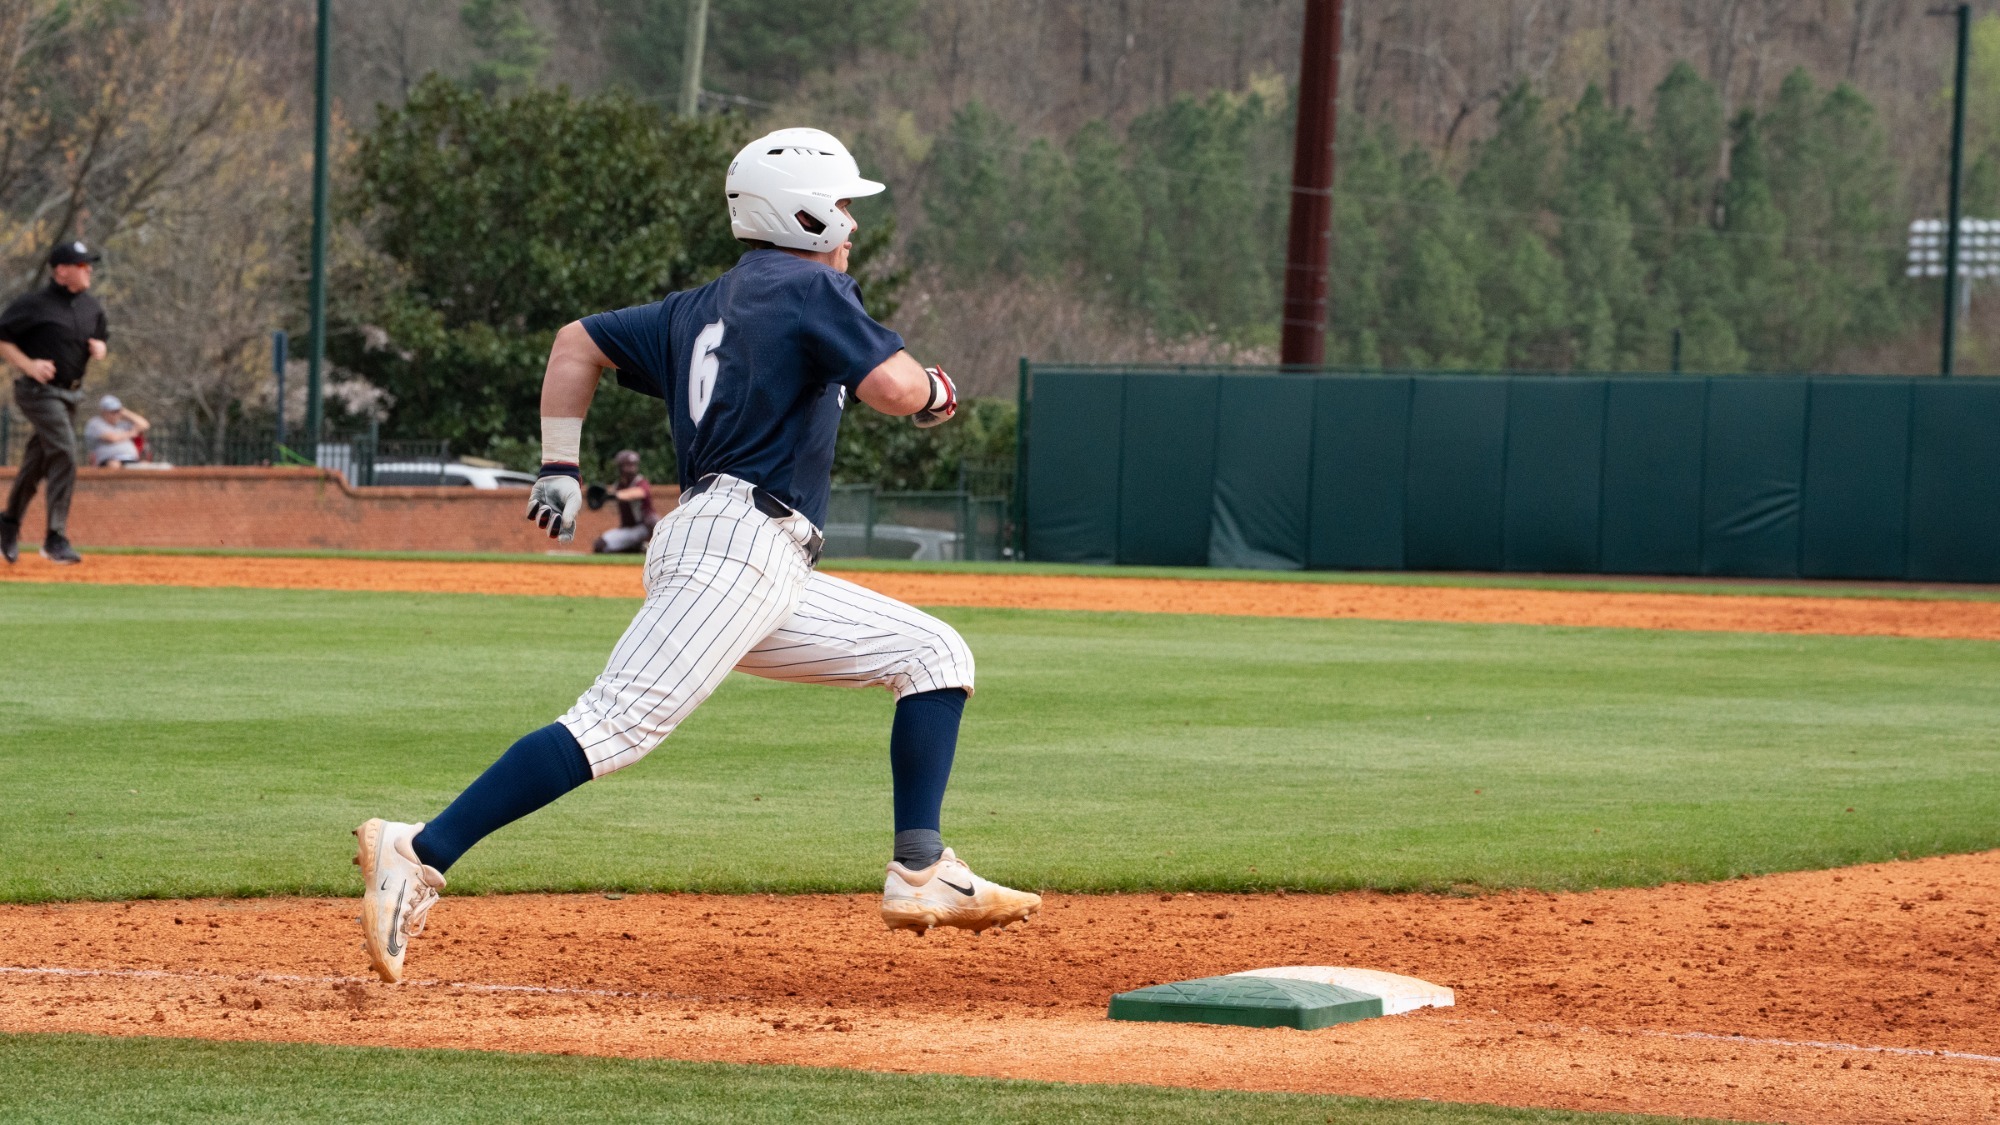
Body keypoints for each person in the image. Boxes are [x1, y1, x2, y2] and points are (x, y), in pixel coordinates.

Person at [353, 128, 1038, 984]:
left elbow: (575, 342)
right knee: (614, 723)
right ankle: (419, 849)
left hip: (751, 551)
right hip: (740, 546)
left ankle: (922, 867)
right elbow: (896, 388)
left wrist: (561, 464)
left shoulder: (696, 307)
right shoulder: (809, 285)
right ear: (808, 214)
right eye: (844, 205)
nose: (852, 224)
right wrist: (935, 391)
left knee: (934, 654)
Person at [0, 240, 109, 565]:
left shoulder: (91, 307)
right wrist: (28, 364)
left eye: (89, 265)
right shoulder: (35, 304)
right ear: (61, 270)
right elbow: (2, 337)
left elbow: (102, 336)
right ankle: (55, 537)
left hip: (71, 394)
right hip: (38, 392)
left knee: (37, 462)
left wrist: (100, 348)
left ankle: (8, 523)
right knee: (65, 451)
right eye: (81, 265)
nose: (88, 270)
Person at [590, 449, 658, 554]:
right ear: (620, 467)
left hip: (643, 527)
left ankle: (641, 546)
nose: (631, 468)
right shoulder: (619, 485)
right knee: (600, 545)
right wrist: (604, 496)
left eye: (633, 465)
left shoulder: (640, 481)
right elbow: (611, 493)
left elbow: (640, 492)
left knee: (653, 520)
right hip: (628, 528)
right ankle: (636, 548)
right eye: (627, 465)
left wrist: (614, 495)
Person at [84, 395, 148, 467]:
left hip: (130, 458)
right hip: (107, 460)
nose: (116, 414)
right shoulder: (95, 423)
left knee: (145, 466)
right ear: (104, 412)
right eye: (113, 412)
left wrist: (126, 413)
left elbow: (144, 425)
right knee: (114, 465)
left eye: (118, 411)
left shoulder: (122, 423)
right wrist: (132, 433)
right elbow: (112, 438)